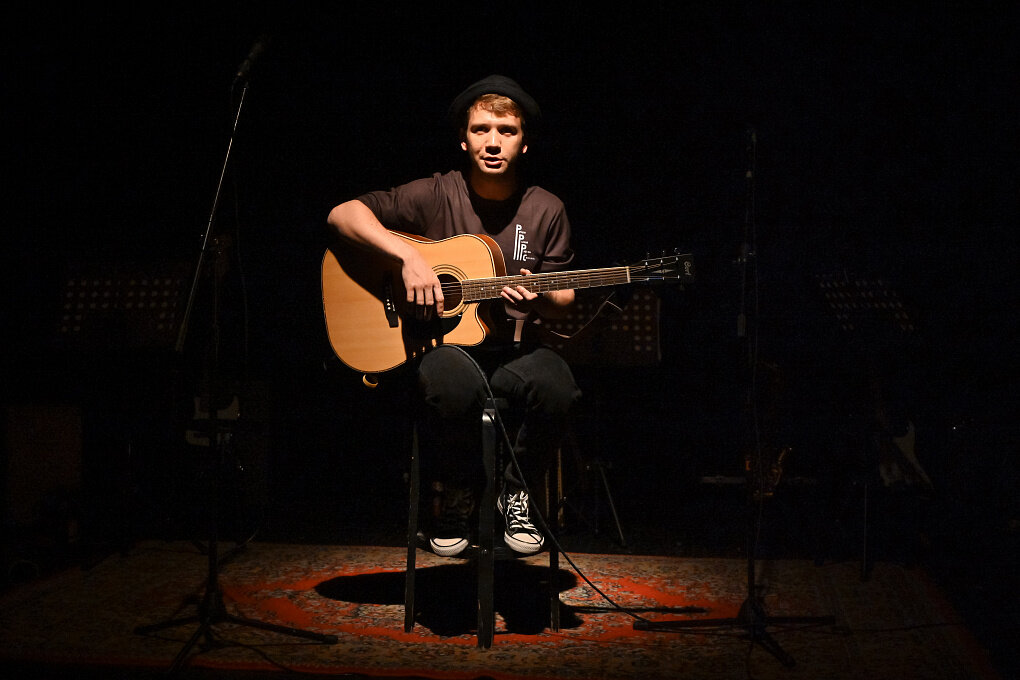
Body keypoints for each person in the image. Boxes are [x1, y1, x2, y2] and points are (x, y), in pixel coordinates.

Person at [327, 75, 581, 557]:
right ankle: (459, 497)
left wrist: (539, 298)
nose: (493, 142)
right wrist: (407, 256)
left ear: (524, 143)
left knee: (558, 388)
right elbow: (342, 215)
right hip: (444, 346)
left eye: (506, 131)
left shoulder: (546, 208)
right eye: (481, 129)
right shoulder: (435, 193)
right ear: (464, 139)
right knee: (450, 386)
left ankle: (517, 494)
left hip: (516, 349)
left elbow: (564, 295)